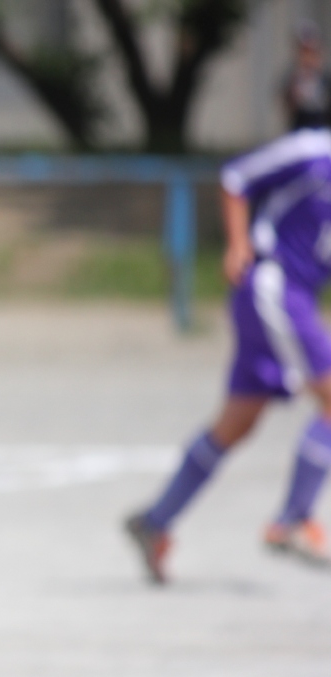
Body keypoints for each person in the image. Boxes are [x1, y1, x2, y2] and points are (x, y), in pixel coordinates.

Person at [125, 127, 331, 584]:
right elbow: (236, 177)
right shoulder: (313, 152)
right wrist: (238, 244)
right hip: (274, 286)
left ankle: (155, 522)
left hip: (291, 298)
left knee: (237, 422)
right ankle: (294, 520)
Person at [283, 21, 331, 131]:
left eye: (312, 52)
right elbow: (287, 103)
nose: (308, 57)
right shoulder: (293, 79)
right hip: (299, 129)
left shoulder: (325, 79)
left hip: (323, 129)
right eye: (305, 52)